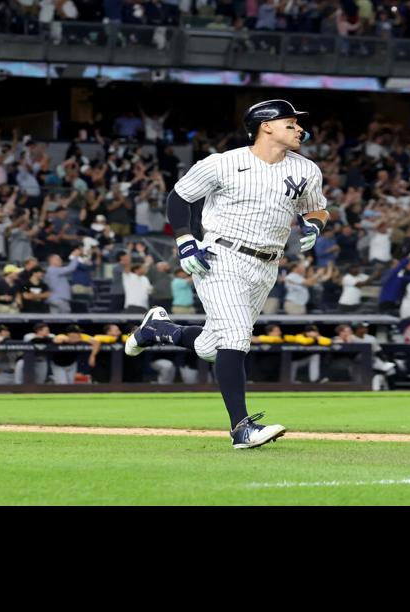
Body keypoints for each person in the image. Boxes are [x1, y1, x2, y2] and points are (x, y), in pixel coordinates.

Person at [125, 99, 328, 449]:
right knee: (235, 338)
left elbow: (318, 208)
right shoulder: (223, 163)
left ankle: (158, 330)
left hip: (267, 264)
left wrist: (315, 225)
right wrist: (185, 241)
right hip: (221, 256)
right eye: (290, 123)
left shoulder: (307, 169)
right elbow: (179, 197)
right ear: (266, 126)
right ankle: (241, 428)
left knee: (210, 347)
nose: (298, 129)